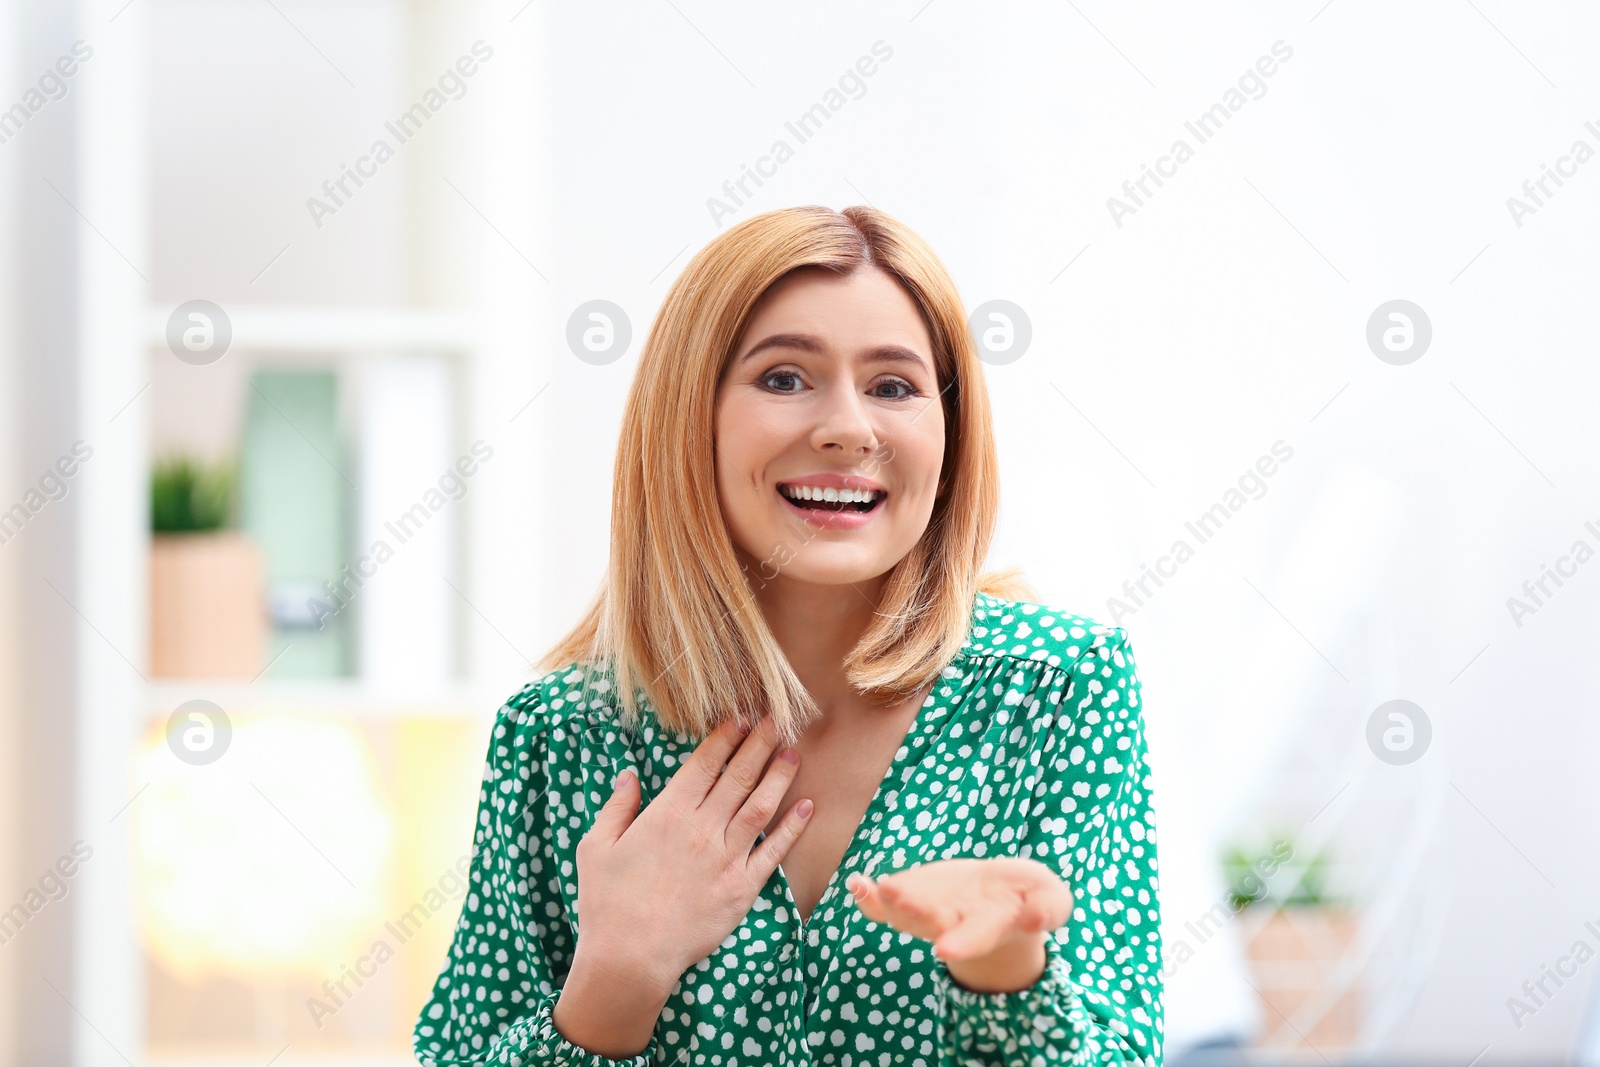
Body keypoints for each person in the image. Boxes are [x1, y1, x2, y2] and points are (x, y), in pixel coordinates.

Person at [412, 205, 1163, 1065]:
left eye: (893, 386)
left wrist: (1003, 968)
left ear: (951, 437)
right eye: (783, 378)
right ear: (689, 417)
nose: (849, 425)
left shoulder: (1059, 687)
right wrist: (615, 979)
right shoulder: (561, 733)